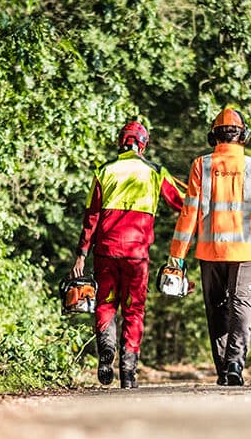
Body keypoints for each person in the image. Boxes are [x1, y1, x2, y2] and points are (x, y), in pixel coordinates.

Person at [167, 108, 251, 386]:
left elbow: (188, 214)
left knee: (216, 307)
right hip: (245, 251)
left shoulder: (202, 165)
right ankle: (235, 363)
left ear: (214, 136)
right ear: (243, 135)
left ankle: (224, 367)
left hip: (210, 252)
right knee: (242, 304)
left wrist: (176, 258)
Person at [73, 120, 184, 389]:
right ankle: (129, 370)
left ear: (120, 143)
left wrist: (81, 254)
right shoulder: (156, 172)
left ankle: (106, 348)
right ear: (143, 144)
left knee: (105, 304)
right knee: (134, 310)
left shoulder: (104, 171)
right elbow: (182, 203)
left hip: (105, 252)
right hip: (137, 255)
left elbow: (91, 217)